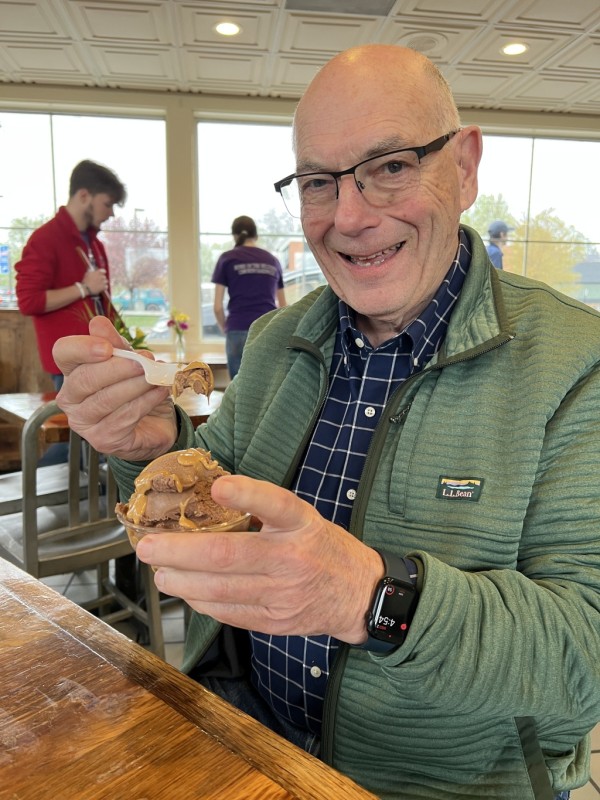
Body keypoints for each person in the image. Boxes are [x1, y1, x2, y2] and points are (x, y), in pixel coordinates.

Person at [52, 45, 600, 800]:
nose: (348, 216)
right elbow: (214, 499)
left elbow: (585, 662)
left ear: (465, 167)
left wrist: (372, 598)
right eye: (318, 181)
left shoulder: (579, 363)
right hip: (242, 745)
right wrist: (154, 450)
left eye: (392, 165)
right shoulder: (280, 340)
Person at [16, 159, 127, 391]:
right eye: (107, 204)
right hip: (70, 364)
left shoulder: (95, 244)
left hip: (100, 356)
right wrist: (83, 288)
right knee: (78, 427)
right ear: (84, 195)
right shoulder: (44, 239)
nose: (111, 213)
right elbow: (29, 302)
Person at [212, 215, 286, 378]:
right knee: (267, 390)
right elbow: (284, 307)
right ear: (256, 235)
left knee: (238, 394)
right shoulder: (273, 261)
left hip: (237, 330)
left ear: (235, 236)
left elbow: (217, 307)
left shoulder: (227, 259)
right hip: (268, 330)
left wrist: (226, 328)